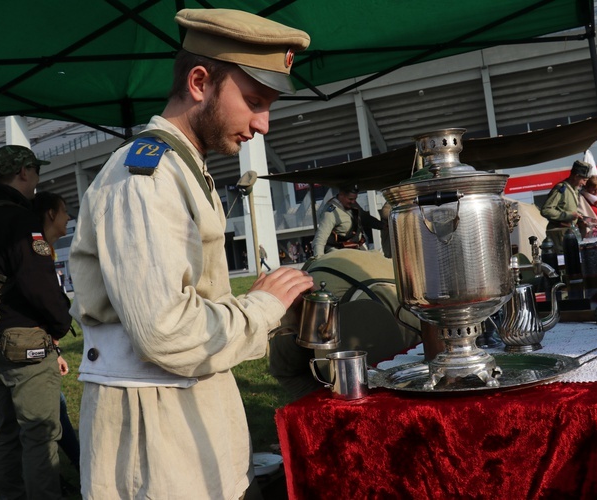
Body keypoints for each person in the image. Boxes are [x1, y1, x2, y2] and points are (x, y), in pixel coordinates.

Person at [68, 8, 313, 499]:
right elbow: (165, 330)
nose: (263, 124)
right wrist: (262, 308)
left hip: (184, 418)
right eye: (254, 101)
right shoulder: (146, 178)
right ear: (199, 81)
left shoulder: (181, 168)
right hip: (156, 439)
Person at [0, 145, 74, 499]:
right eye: (35, 171)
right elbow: (39, 283)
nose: (37, 179)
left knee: (5, 430)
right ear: (22, 172)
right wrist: (61, 324)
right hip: (25, 341)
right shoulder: (20, 219)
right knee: (40, 433)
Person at [269, 249, 421, 401]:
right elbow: (286, 373)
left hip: (357, 270)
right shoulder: (298, 315)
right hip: (336, 272)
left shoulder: (410, 330)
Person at [32, 191, 81, 475]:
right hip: (31, 349)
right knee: (53, 412)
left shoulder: (45, 250)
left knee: (54, 410)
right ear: (51, 214)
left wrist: (56, 350)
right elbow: (43, 303)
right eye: (64, 211)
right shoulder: (36, 250)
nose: (68, 217)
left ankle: (76, 464)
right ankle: (78, 465)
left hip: (42, 347)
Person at [312, 185, 385, 257]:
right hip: (338, 252)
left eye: (355, 199)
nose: (353, 202)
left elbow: (364, 218)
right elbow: (320, 239)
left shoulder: (353, 204)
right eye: (350, 199)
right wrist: (319, 258)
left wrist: (383, 226)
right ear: (341, 195)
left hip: (356, 248)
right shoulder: (330, 213)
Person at [540, 160, 591, 253]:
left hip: (568, 234)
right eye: (584, 180)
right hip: (559, 236)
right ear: (576, 176)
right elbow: (546, 210)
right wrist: (569, 215)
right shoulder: (561, 189)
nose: (584, 183)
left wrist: (580, 219)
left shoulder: (573, 189)